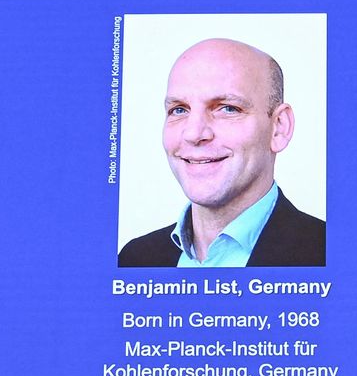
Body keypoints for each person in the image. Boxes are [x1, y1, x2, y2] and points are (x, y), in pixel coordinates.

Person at [120, 38, 326, 268]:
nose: (194, 133)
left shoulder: (327, 255)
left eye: (228, 108)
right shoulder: (134, 259)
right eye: (179, 109)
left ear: (278, 128)